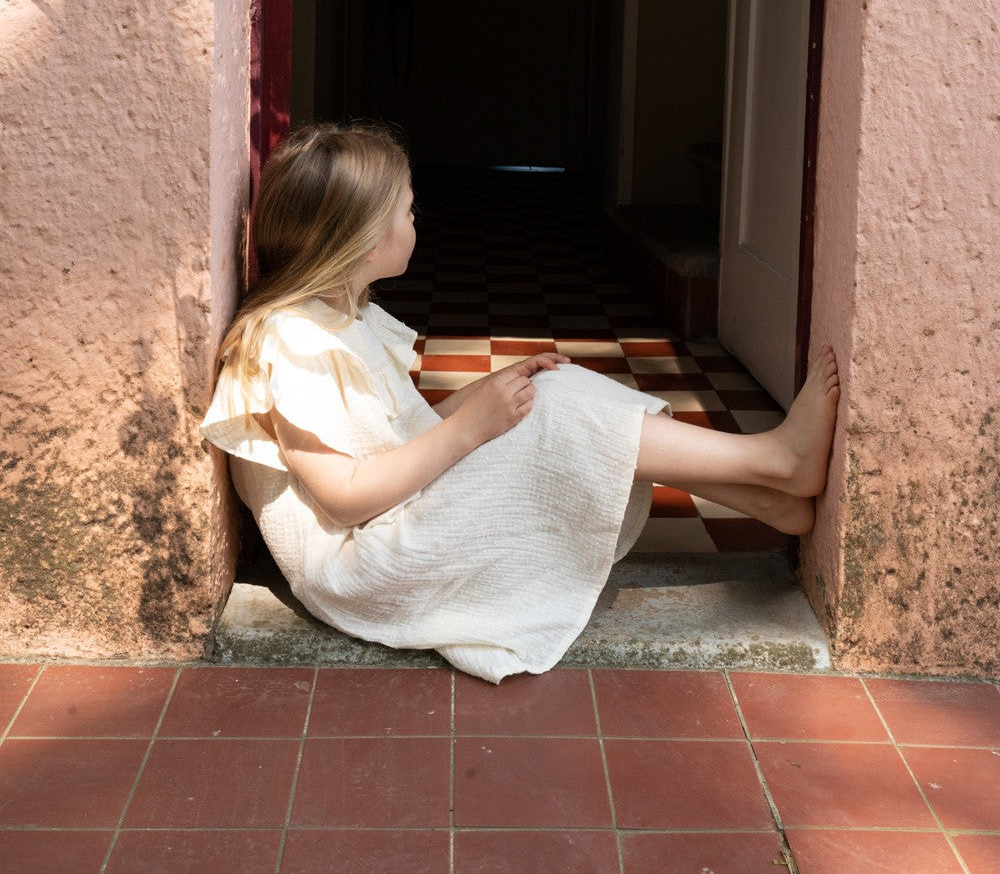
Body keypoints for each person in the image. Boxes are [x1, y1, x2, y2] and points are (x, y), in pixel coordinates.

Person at [201, 122, 840, 683]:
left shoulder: (343, 315)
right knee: (560, 416)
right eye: (406, 212)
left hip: (391, 522)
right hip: (362, 571)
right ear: (362, 242)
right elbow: (344, 495)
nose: (416, 220)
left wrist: (480, 399)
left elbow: (396, 441)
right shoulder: (286, 340)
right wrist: (466, 431)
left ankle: (760, 489)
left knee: (547, 394)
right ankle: (779, 460)